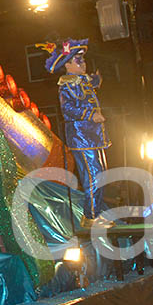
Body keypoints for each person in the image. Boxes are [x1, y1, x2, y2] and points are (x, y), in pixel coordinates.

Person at [38, 38, 112, 228]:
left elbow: (92, 84)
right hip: (82, 138)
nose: (83, 63)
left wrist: (97, 78)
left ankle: (98, 211)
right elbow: (68, 110)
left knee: (101, 174)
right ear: (68, 64)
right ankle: (91, 217)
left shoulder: (83, 81)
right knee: (93, 174)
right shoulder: (67, 84)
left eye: (83, 60)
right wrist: (90, 115)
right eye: (78, 61)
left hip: (95, 136)